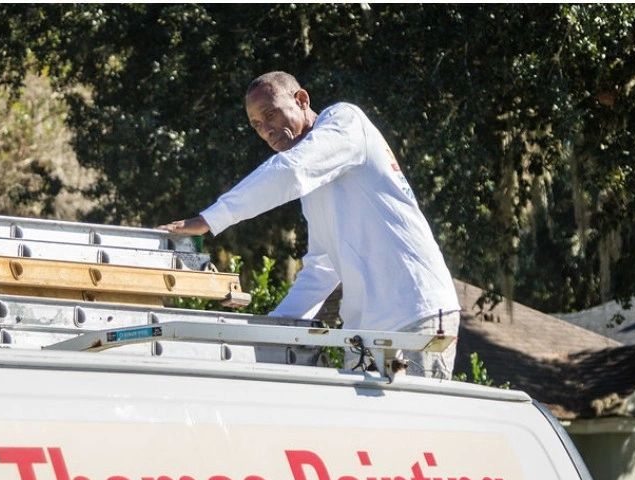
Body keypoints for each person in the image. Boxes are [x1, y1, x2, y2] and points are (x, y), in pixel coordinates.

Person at [159, 71, 460, 378]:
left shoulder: (344, 121)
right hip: (366, 331)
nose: (266, 131)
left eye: (271, 114)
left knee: (415, 422)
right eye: (257, 126)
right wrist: (272, 327)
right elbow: (322, 267)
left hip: (416, 310)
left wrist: (209, 219)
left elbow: (291, 170)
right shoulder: (317, 182)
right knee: (363, 426)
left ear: (301, 100)